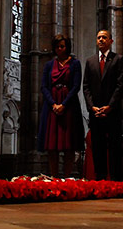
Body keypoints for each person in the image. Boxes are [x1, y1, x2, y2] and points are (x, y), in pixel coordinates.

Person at [37, 34, 84, 177]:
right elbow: (44, 86)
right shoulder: (49, 65)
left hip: (69, 105)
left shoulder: (75, 64)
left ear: (67, 47)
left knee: (69, 142)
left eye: (62, 46)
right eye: (57, 46)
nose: (59, 49)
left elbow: (76, 86)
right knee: (52, 144)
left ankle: (68, 176)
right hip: (52, 107)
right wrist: (53, 104)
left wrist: (63, 104)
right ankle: (54, 176)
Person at [82, 29, 123, 180]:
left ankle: (116, 181)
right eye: (99, 37)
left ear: (111, 41)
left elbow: (120, 86)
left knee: (115, 148)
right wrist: (91, 106)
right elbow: (86, 86)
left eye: (104, 37)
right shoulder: (90, 61)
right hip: (95, 112)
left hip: (112, 111)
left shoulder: (118, 59)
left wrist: (110, 106)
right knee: (98, 147)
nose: (101, 40)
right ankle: (100, 180)